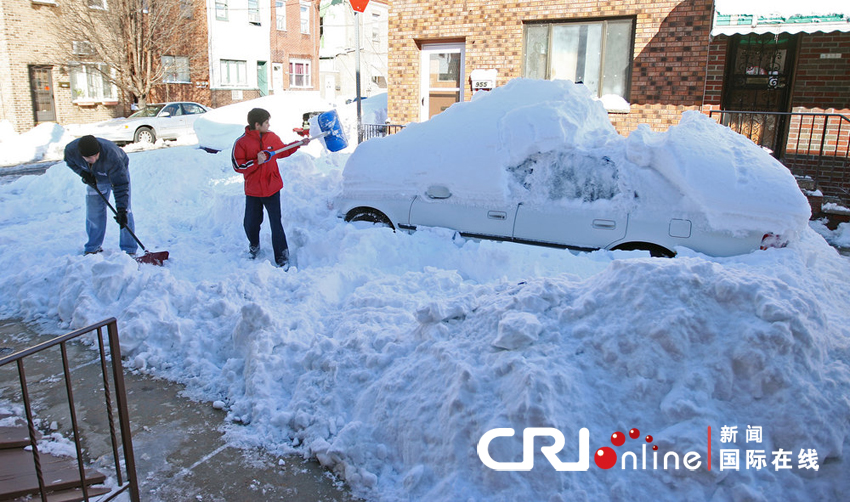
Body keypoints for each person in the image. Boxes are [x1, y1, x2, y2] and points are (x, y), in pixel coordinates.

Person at [232, 108, 309, 269]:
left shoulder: (271, 137)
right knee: (251, 223)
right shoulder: (242, 142)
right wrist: (256, 162)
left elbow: (283, 151)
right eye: (266, 122)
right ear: (257, 124)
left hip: (272, 188)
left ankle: (282, 256)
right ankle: (254, 245)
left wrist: (299, 144)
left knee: (276, 223)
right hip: (253, 191)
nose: (269, 124)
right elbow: (237, 165)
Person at [64, 135, 137, 256]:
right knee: (94, 211)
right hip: (96, 178)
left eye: (95, 155)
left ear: (99, 151)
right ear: (80, 155)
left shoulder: (112, 157)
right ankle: (92, 247)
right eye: (88, 158)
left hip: (117, 174)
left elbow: (121, 185)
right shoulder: (71, 151)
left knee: (126, 213)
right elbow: (70, 162)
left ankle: (129, 250)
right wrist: (83, 173)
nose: (92, 159)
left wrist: (121, 210)